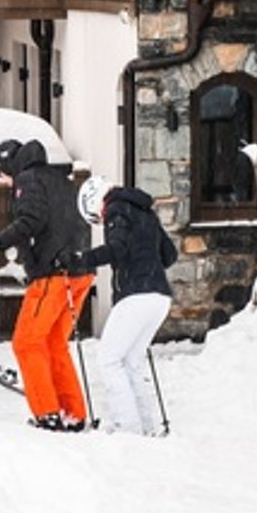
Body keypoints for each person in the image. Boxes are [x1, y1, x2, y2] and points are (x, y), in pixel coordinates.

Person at [0, 138, 93, 431]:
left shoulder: (28, 179)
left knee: (27, 343)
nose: (2, 180)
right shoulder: (59, 179)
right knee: (54, 344)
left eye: (0, 172)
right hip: (81, 272)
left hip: (53, 274)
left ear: (8, 163)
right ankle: (72, 412)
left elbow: (31, 220)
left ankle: (47, 413)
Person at [77, 176, 175, 436]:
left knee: (108, 360)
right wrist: (146, 263)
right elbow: (170, 254)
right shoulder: (145, 212)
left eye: (97, 217)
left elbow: (117, 249)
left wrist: (83, 259)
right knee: (131, 362)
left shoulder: (116, 208)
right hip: (159, 296)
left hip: (136, 294)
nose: (102, 219)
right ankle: (146, 427)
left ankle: (127, 428)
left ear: (96, 201)